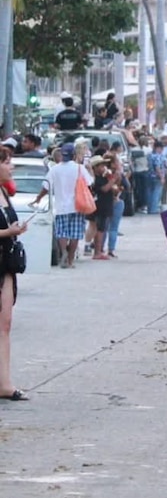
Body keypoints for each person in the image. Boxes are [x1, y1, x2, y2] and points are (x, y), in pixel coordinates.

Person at [30, 143, 94, 268]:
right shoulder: (79, 168)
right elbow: (89, 183)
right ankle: (70, 260)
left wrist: (38, 198)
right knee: (75, 234)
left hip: (60, 206)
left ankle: (63, 252)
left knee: (62, 232)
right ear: (74, 155)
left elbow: (46, 187)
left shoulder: (55, 169)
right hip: (77, 206)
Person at [0, 147, 29, 400]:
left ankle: (5, 383)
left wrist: (15, 230)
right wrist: (8, 232)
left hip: (6, 264)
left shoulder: (4, 193)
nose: (11, 167)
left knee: (5, 323)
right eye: (7, 162)